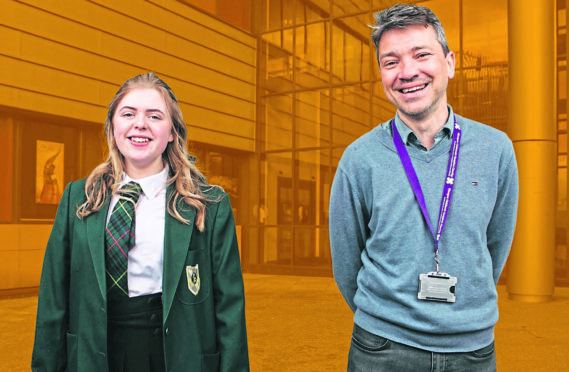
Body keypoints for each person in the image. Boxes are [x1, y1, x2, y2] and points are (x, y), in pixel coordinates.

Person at [329, 4, 518, 371]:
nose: (407, 72)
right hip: (382, 348)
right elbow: (346, 265)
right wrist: (388, 316)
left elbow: (494, 249)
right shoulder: (359, 159)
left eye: (421, 54)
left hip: (472, 349)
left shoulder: (496, 149)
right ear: (381, 73)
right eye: (391, 61)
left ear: (449, 63)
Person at [32, 72, 249, 372]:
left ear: (172, 132)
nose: (140, 124)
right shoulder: (77, 198)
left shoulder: (209, 205)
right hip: (97, 353)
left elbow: (230, 311)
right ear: (113, 127)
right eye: (128, 113)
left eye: (155, 116)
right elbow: (53, 301)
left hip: (174, 354)